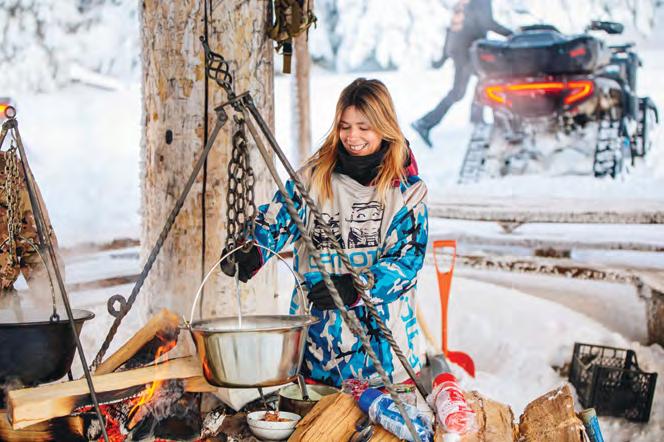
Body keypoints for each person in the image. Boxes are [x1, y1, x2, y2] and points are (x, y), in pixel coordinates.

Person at [221, 78, 428, 387]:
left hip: (386, 361)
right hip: (318, 355)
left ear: (384, 127)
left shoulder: (406, 191)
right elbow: (279, 219)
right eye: (345, 126)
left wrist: (355, 287)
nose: (352, 137)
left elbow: (406, 262)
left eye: (364, 127)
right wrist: (252, 249)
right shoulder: (314, 179)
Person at [411, 0, 512, 147]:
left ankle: (475, 118)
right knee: (478, 83)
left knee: (478, 82)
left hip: (460, 48)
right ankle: (425, 123)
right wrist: (512, 34)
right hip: (467, 50)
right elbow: (486, 22)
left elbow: (453, 27)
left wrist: (444, 55)